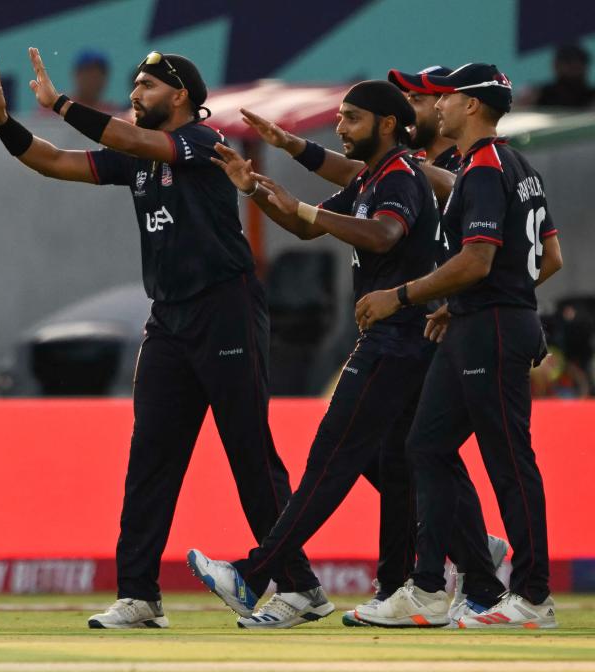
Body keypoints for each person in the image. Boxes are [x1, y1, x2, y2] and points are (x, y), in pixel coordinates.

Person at [0, 48, 325, 628]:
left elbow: (144, 143)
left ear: (181, 96)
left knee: (248, 452)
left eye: (145, 86)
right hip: (168, 321)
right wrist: (3, 123)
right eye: (134, 86)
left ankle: (300, 588)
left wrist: (62, 103)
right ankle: (140, 595)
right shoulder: (136, 157)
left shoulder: (202, 141)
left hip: (226, 310)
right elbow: (54, 162)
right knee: (150, 459)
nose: (135, 95)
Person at [187, 80, 484, 628]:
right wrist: (253, 190)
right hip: (403, 340)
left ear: (387, 125)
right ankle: (418, 581)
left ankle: (258, 575)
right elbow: (304, 226)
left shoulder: (400, 175)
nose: (340, 127)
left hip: (396, 340)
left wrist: (299, 202)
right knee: (392, 464)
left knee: (332, 459)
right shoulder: (374, 177)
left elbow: (384, 235)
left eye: (351, 119)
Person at [354, 63, 563, 629]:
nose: (437, 106)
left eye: (445, 98)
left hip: (492, 328)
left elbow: (477, 258)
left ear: (471, 106)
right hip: (480, 320)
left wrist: (401, 296)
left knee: (507, 460)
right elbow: (550, 260)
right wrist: (462, 301)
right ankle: (426, 590)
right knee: (425, 445)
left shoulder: (484, 169)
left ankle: (533, 597)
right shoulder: (517, 165)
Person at [526, 44, 595, 108]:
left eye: (579, 63)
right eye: (568, 63)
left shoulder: (591, 97)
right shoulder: (540, 95)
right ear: (556, 65)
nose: (574, 66)